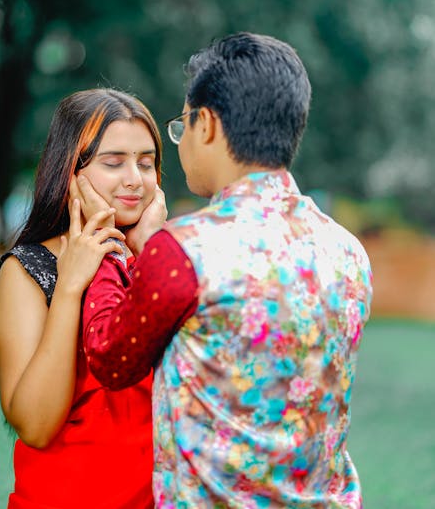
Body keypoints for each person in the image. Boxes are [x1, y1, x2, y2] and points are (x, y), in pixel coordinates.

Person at [81, 33, 373, 508]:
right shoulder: (349, 251)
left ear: (208, 125)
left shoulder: (186, 250)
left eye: (182, 126)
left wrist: (109, 249)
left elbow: (109, 358)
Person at [0, 88, 167, 509]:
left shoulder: (166, 261)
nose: (134, 180)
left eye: (146, 163)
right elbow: (35, 425)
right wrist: (69, 286)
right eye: (113, 162)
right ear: (69, 171)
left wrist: (151, 251)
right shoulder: (29, 269)